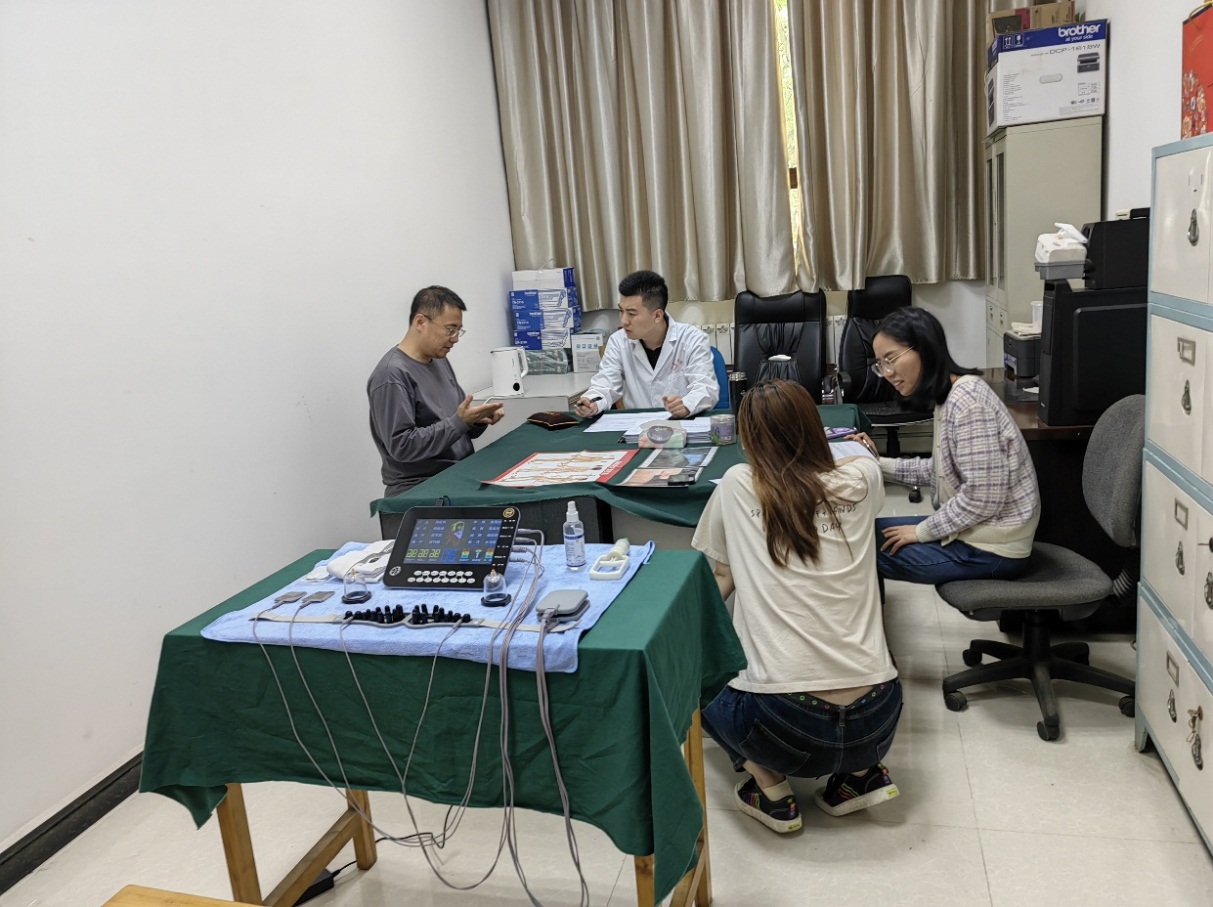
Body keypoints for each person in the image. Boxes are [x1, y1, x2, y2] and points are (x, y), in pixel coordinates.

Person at [692, 379, 901, 834]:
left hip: (781, 725)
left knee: (697, 679)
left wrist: (684, 640)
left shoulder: (738, 484)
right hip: (878, 715)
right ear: (815, 427)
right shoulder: (862, 480)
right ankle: (861, 774)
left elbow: (722, 577)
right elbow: (860, 458)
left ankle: (772, 791)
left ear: (749, 439)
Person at [848, 307, 1040, 584]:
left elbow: (982, 498)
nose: (887, 372)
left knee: (852, 546)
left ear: (924, 349)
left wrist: (922, 532)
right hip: (975, 532)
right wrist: (874, 464)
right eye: (881, 364)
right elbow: (940, 470)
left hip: (993, 549)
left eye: (891, 359)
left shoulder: (968, 401)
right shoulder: (949, 396)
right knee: (855, 532)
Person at [367, 286, 503, 498]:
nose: (455, 339)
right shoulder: (391, 376)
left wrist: (475, 421)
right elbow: (402, 446)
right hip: (422, 489)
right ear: (420, 322)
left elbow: (453, 425)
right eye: (450, 330)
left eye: (458, 331)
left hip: (458, 475)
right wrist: (459, 422)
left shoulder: (439, 361)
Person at [572, 270, 718, 419]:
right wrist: (591, 402)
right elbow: (605, 386)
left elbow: (705, 388)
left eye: (632, 314)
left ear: (657, 315)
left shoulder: (692, 339)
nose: (624, 321)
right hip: (637, 427)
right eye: (621, 311)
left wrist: (686, 405)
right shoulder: (618, 341)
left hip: (682, 424)